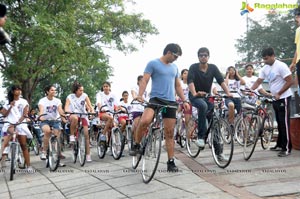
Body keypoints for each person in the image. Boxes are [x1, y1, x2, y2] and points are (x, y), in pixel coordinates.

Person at [130, 43, 189, 172]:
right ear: (168, 52)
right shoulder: (153, 63)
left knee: (169, 132)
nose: (176, 59)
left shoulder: (174, 68)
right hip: (156, 99)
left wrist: (184, 100)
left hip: (170, 102)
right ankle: (136, 144)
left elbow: (177, 85)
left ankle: (171, 161)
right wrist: (140, 95)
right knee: (145, 121)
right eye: (175, 56)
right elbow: (145, 80)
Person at [187, 47, 233, 157]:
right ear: (198, 57)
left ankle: (219, 153)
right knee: (202, 106)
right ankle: (201, 138)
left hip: (208, 97)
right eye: (201, 55)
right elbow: (190, 81)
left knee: (214, 121)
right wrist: (194, 93)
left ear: (208, 57)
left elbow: (221, 81)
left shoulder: (213, 68)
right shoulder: (193, 67)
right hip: (195, 97)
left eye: (205, 55)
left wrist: (228, 93)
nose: (203, 57)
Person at [251, 47, 294, 157]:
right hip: (275, 98)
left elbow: (290, 81)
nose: (265, 61)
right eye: (263, 59)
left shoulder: (281, 66)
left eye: (266, 58)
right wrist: (250, 90)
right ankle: (279, 144)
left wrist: (279, 93)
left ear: (272, 56)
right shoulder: (265, 68)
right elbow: (259, 81)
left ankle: (287, 148)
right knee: (279, 123)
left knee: (284, 123)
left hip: (283, 97)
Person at [0, 85, 33, 171]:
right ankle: (5, 151)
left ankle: (28, 165)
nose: (19, 91)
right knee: (12, 133)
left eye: (19, 89)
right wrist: (10, 106)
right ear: (13, 91)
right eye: (16, 89)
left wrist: (18, 122)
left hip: (21, 124)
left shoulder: (24, 101)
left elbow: (25, 114)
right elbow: (4, 114)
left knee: (23, 145)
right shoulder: (8, 101)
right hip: (10, 124)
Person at [64, 81, 95, 162]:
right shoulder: (70, 97)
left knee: (86, 134)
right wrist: (67, 111)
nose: (82, 92)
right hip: (73, 115)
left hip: (82, 115)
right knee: (75, 118)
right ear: (76, 90)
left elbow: (90, 106)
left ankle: (88, 155)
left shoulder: (85, 96)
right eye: (80, 90)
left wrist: (91, 111)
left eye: (82, 90)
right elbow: (66, 107)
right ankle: (71, 135)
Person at [38, 85, 66, 162]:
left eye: (55, 90)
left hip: (55, 120)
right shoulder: (42, 101)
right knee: (47, 132)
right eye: (52, 90)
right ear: (47, 92)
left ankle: (57, 153)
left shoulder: (57, 100)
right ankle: (44, 151)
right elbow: (41, 109)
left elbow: (60, 110)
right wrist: (40, 116)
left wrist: (63, 116)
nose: (54, 92)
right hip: (45, 120)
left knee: (57, 136)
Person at [96, 81, 119, 150]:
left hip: (111, 113)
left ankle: (112, 147)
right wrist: (101, 108)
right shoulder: (100, 94)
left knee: (114, 127)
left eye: (107, 86)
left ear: (109, 87)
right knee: (110, 118)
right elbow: (98, 103)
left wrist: (118, 109)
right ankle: (103, 135)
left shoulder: (113, 95)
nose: (105, 88)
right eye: (104, 86)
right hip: (103, 113)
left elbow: (116, 105)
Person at [175, 69, 192, 145]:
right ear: (182, 75)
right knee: (176, 117)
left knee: (188, 122)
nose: (186, 75)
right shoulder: (179, 83)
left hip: (188, 103)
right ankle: (176, 132)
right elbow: (175, 93)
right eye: (184, 73)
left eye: (188, 73)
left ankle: (188, 140)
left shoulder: (191, 83)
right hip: (179, 102)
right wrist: (175, 97)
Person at [130, 75, 148, 145]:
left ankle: (143, 140)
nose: (143, 82)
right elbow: (134, 95)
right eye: (141, 81)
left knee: (145, 125)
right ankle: (136, 143)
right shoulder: (135, 88)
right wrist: (137, 98)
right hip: (136, 109)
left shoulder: (146, 90)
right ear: (138, 81)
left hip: (145, 109)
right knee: (137, 125)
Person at [290, 8, 300, 97]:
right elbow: (298, 48)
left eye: (297, 17)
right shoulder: (298, 30)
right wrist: (293, 63)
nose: (296, 19)